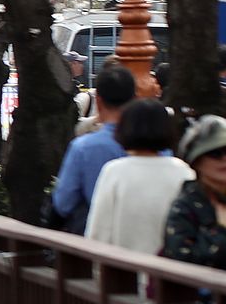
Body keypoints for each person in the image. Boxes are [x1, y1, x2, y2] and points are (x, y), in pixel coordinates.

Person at [85, 100, 193, 254]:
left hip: (122, 265)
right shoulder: (183, 171)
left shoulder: (114, 171)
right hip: (172, 267)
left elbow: (98, 231)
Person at [49, 65, 137, 234]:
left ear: (99, 101)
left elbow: (63, 203)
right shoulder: (159, 151)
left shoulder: (83, 148)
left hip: (92, 238)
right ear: (135, 99)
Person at [163, 115, 226, 270]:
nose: (224, 159)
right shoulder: (185, 207)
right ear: (196, 161)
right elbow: (182, 261)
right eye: (215, 153)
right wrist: (220, 230)